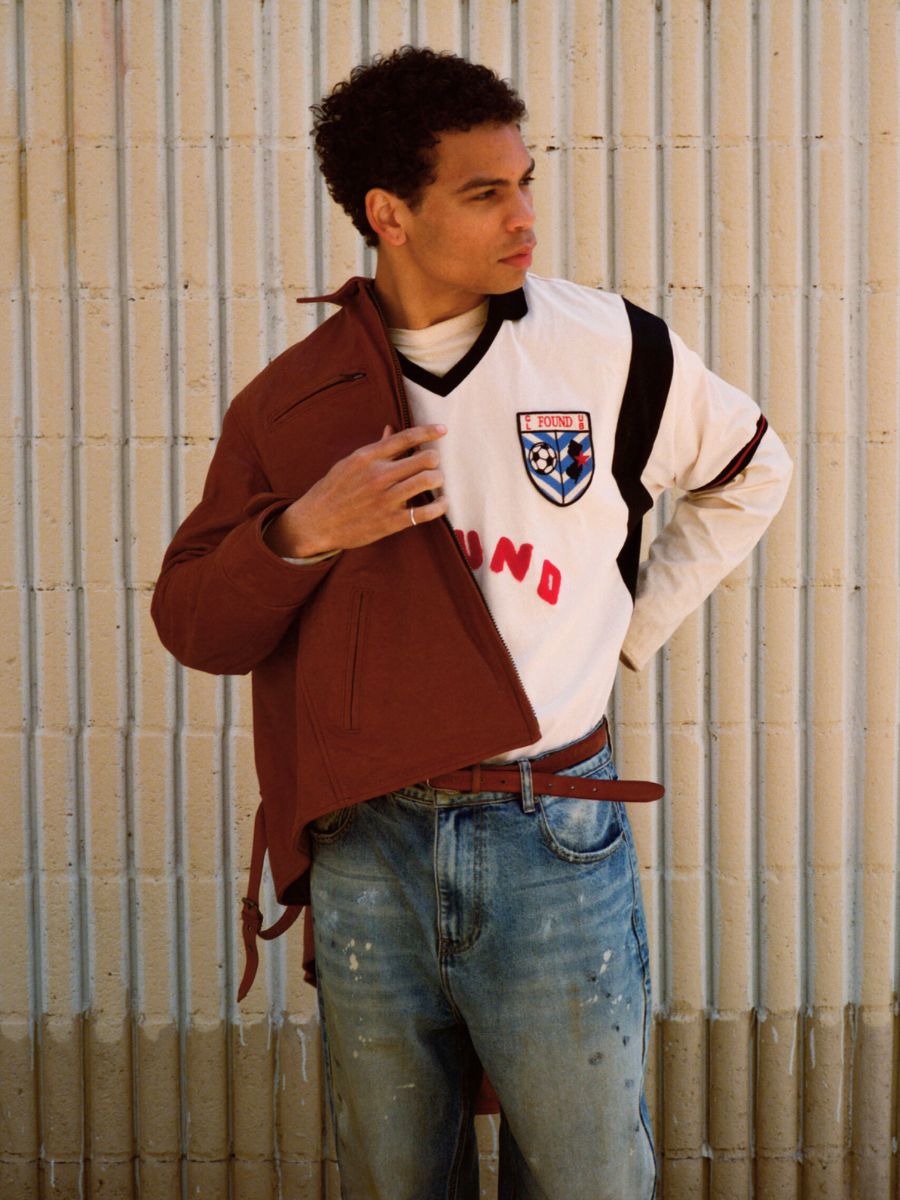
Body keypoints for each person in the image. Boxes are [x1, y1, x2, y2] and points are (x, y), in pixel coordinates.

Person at [152, 45, 792, 1200]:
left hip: (550, 823)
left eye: (527, 180)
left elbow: (754, 471)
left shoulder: (606, 346)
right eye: (486, 191)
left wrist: (627, 635)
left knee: (589, 1177)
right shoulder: (291, 401)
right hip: (365, 849)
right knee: (399, 1181)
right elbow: (195, 624)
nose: (525, 216)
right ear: (389, 214)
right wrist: (301, 530)